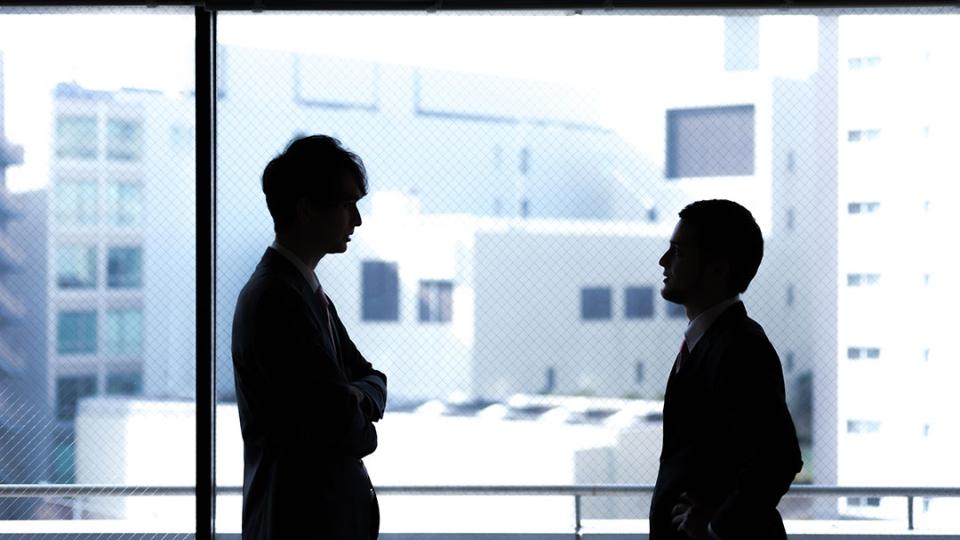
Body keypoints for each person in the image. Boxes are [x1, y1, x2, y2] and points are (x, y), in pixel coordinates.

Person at [231, 135, 387, 539]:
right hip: (301, 523)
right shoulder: (278, 300)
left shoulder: (302, 291)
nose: (357, 220)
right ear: (306, 208)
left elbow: (372, 378)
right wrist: (357, 409)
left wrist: (354, 397)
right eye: (347, 204)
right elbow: (345, 428)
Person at [649, 199, 802, 540]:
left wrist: (719, 526)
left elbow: (779, 457)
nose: (663, 261)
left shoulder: (741, 348)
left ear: (718, 269)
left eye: (678, 252)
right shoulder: (714, 341)